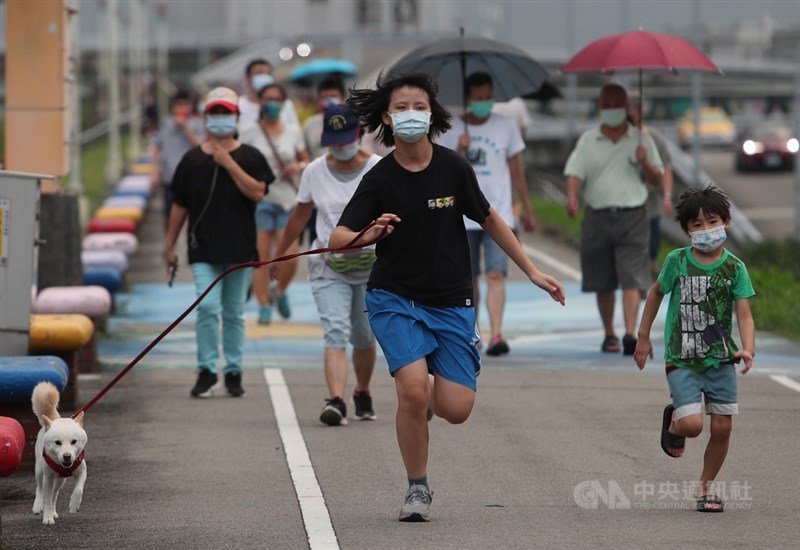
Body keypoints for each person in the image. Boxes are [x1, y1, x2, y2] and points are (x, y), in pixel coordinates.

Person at [330, 72, 565, 522]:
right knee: (414, 393)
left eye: (419, 107)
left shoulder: (453, 167)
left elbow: (491, 218)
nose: (410, 115)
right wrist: (368, 234)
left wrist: (532, 271)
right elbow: (339, 236)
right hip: (394, 296)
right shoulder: (379, 177)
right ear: (387, 117)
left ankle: (424, 398)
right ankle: (417, 488)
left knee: (455, 409)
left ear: (432, 114)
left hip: (451, 301)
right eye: (401, 108)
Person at [634, 185, 755, 513]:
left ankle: (705, 487)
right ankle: (675, 419)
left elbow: (744, 312)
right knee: (692, 426)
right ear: (686, 230)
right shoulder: (677, 261)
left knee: (723, 427)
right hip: (682, 358)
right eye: (696, 225)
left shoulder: (734, 268)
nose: (705, 230)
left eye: (711, 221)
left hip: (721, 360)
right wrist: (643, 337)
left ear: (726, 222)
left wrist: (748, 348)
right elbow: (656, 294)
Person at [271, 103, 382, 426]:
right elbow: (300, 216)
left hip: (371, 264)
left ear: (359, 135)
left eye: (346, 139)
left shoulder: (378, 168)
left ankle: (362, 390)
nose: (341, 147)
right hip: (328, 264)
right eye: (334, 142)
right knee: (335, 330)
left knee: (363, 337)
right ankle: (336, 400)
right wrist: (280, 254)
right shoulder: (314, 171)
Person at [164, 86, 273, 398]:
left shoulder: (251, 156)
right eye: (215, 113)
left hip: (240, 249)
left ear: (237, 116)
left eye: (227, 113)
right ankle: (207, 369)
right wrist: (169, 246)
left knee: (234, 311)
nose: (221, 118)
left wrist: (228, 163)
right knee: (208, 308)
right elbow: (179, 205)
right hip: (203, 250)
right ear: (205, 117)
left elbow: (257, 192)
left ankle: (234, 369)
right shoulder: (192, 159)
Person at [438, 72, 538, 356]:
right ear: (468, 98)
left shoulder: (507, 126)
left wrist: (527, 208)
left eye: (487, 98)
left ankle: (496, 333)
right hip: (462, 216)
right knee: (468, 278)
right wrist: (459, 149)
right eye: (478, 98)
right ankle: (474, 332)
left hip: (499, 214)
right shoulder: (453, 127)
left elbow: (517, 170)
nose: (483, 103)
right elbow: (443, 172)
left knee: (496, 274)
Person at [564, 82, 664, 356]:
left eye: (616, 105)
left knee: (632, 277)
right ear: (600, 107)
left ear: (626, 107)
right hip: (597, 214)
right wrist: (572, 196)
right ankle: (609, 333)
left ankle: (630, 333)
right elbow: (574, 172)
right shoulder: (588, 140)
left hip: (633, 215)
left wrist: (644, 162)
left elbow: (657, 178)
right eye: (606, 105)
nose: (611, 110)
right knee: (602, 279)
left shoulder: (641, 139)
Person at [239, 83, 310, 324]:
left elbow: (304, 159)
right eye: (267, 99)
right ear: (259, 102)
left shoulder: (292, 131)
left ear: (284, 103)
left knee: (290, 256)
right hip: (258, 201)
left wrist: (297, 167)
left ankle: (278, 291)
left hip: (287, 200)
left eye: (277, 99)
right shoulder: (248, 132)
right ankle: (262, 306)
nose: (272, 104)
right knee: (260, 258)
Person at [626, 91, 674, 276]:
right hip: (626, 205)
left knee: (652, 247)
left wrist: (667, 195)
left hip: (651, 203)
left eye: (634, 108)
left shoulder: (654, 138)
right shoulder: (616, 139)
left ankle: (644, 279)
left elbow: (666, 167)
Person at [150, 90, 206, 231]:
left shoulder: (197, 124)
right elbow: (157, 147)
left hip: (192, 178)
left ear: (191, 106)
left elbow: (201, 146)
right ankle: (169, 244)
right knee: (169, 215)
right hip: (170, 177)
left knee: (192, 215)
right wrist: (155, 171)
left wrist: (185, 127)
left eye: (185, 104)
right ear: (172, 107)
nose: (181, 108)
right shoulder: (165, 124)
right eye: (178, 104)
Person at [237, 58, 300, 129]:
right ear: (248, 78)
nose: (265, 77)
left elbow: (295, 131)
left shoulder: (285, 104)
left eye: (268, 74)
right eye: (259, 73)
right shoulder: (239, 105)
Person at [302, 76, 347, 160]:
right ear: (318, 99)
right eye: (324, 97)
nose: (329, 100)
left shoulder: (353, 122)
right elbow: (305, 155)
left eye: (333, 96)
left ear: (343, 98)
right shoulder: (309, 125)